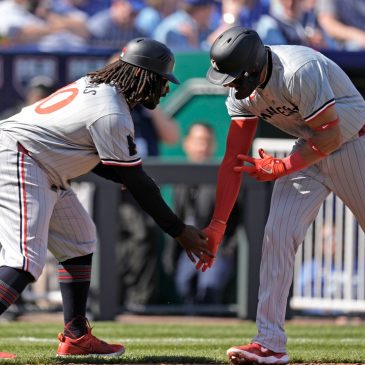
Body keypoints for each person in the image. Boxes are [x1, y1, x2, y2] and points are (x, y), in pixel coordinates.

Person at [0, 37, 211, 359]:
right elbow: (137, 181)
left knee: (79, 240)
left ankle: (76, 336)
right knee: (25, 260)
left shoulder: (96, 87)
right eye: (162, 80)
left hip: (40, 163)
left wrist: (124, 175)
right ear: (143, 75)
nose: (165, 89)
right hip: (21, 158)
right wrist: (179, 230)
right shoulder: (110, 111)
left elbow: (91, 153)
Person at [202, 26, 365, 364]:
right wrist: (217, 225)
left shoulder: (298, 69)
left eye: (233, 76)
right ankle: (269, 343)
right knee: (277, 235)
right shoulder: (241, 92)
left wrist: (281, 167)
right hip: (308, 150)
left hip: (353, 144)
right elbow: (234, 159)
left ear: (252, 67)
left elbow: (332, 136)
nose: (229, 84)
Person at [163, 122, 241, 307]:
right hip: (190, 249)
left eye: (206, 141)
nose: (202, 147)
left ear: (213, 145)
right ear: (187, 143)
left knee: (209, 289)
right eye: (198, 141)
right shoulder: (180, 180)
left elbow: (241, 218)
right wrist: (170, 254)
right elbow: (177, 218)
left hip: (218, 249)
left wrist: (230, 249)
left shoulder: (224, 176)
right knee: (184, 286)